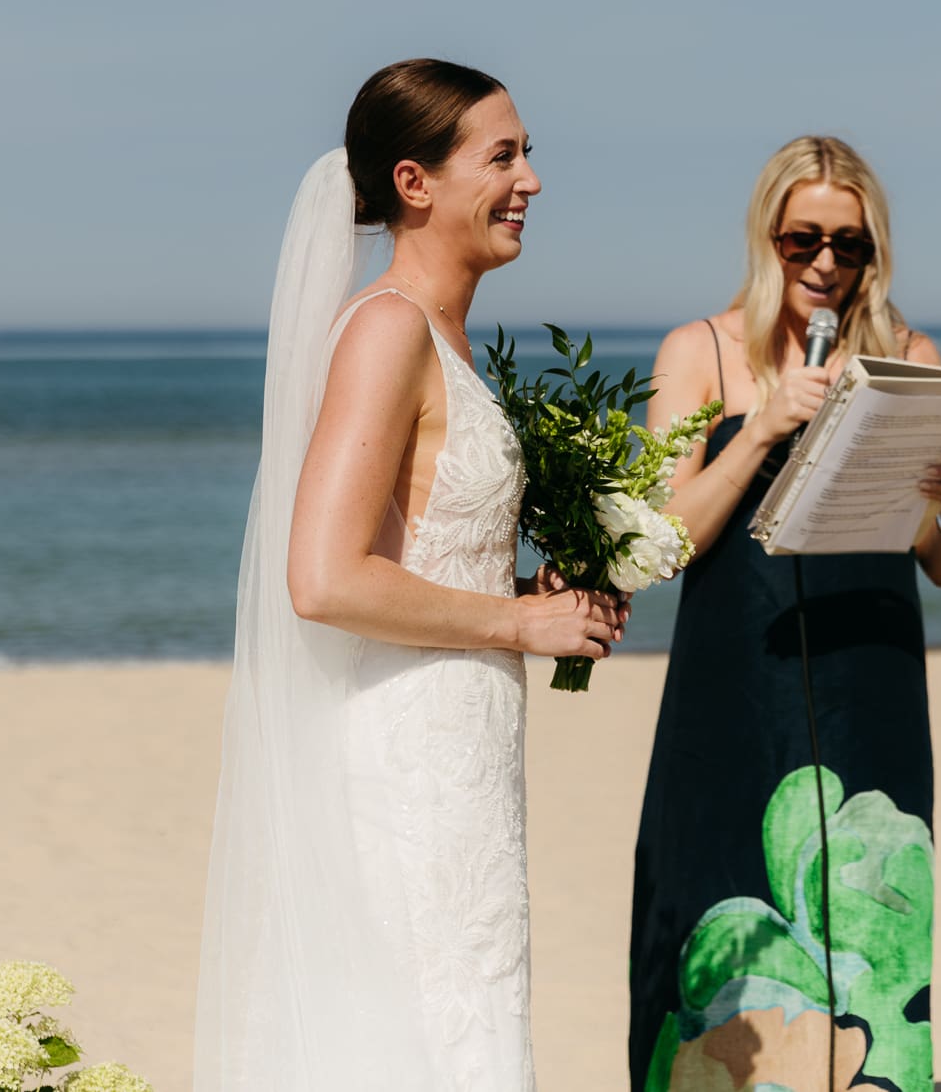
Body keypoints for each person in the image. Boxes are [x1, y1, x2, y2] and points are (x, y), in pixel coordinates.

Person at [193, 59, 626, 1092]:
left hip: (462, 748)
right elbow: (325, 579)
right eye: (503, 155)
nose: (529, 180)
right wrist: (520, 628)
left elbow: (414, 548)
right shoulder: (387, 329)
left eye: (528, 155)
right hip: (405, 763)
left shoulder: (446, 339)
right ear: (414, 182)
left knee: (464, 1019)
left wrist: (530, 597)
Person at [628, 136, 941, 1092]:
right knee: (715, 914)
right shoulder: (697, 351)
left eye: (851, 245)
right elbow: (660, 543)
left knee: (875, 940)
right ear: (769, 239)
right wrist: (761, 427)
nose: (827, 265)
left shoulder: (910, 355)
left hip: (869, 686)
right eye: (804, 242)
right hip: (732, 690)